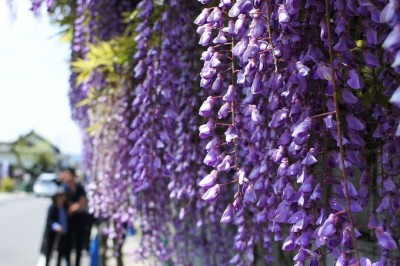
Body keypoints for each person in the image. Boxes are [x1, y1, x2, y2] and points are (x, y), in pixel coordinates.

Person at [60, 167, 88, 266]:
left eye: (69, 174)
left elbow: (83, 203)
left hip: (79, 220)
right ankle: (68, 263)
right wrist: (77, 206)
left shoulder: (80, 187)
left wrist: (73, 207)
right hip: (68, 221)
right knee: (67, 244)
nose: (68, 177)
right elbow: (63, 206)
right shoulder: (63, 189)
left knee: (79, 243)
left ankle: (77, 264)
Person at [44, 186, 70, 266]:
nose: (62, 198)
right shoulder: (52, 207)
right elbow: (50, 221)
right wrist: (56, 226)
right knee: (49, 252)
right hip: (53, 234)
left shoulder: (65, 207)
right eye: (60, 196)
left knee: (61, 253)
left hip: (64, 233)